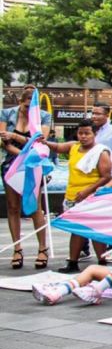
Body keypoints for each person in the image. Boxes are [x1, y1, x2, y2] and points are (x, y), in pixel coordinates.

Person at [42, 119, 112, 273]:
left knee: (94, 230)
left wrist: (88, 191)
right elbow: (57, 147)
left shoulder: (101, 152)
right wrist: (43, 142)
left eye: (87, 133)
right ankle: (73, 262)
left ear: (94, 134)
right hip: (72, 196)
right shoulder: (73, 146)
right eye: (81, 133)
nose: (83, 136)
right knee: (76, 230)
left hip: (92, 197)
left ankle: (102, 261)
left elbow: (106, 176)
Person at [0, 87, 51, 269]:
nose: (28, 110)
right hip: (12, 163)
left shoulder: (43, 116)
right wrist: (22, 152)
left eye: (31, 107)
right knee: (13, 207)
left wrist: (15, 136)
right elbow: (3, 142)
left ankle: (42, 248)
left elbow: (40, 142)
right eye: (25, 107)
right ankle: (17, 248)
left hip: (33, 164)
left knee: (35, 207)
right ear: (20, 102)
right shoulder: (7, 114)